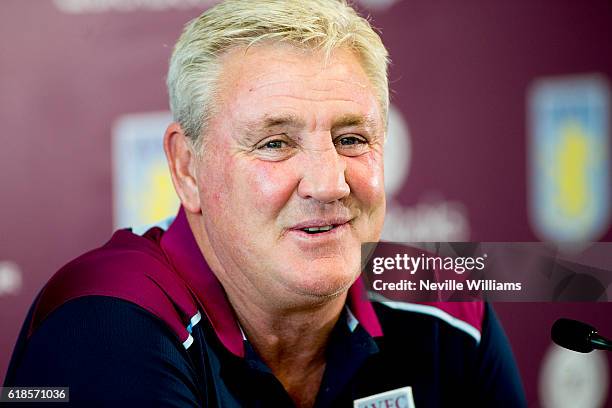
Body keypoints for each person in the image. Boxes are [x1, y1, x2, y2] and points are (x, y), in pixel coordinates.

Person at [4, 0, 526, 406]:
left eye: (351, 139)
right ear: (187, 167)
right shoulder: (106, 325)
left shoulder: (445, 302)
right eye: (275, 143)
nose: (328, 184)